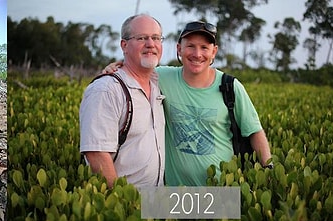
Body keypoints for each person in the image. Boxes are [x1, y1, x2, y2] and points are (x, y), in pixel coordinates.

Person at [103, 21, 272, 186]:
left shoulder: (230, 87)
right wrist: (117, 67)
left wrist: (268, 172)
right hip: (173, 195)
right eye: (191, 46)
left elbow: (254, 132)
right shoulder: (160, 77)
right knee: (149, 210)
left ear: (214, 52)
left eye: (204, 48)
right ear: (179, 49)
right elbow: (135, 70)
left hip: (222, 191)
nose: (197, 54)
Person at [79, 14, 166, 189]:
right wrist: (122, 204)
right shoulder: (106, 90)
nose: (151, 43)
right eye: (141, 38)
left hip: (158, 203)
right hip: (128, 206)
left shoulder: (159, 83)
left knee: (225, 204)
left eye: (156, 38)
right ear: (124, 45)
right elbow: (97, 155)